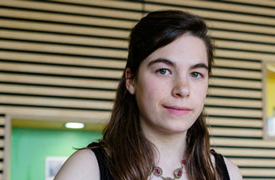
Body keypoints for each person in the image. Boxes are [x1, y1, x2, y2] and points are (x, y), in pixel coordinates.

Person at [55, 10, 242, 180]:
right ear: (131, 80)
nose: (182, 89)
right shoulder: (85, 169)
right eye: (163, 71)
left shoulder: (228, 173)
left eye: (196, 74)